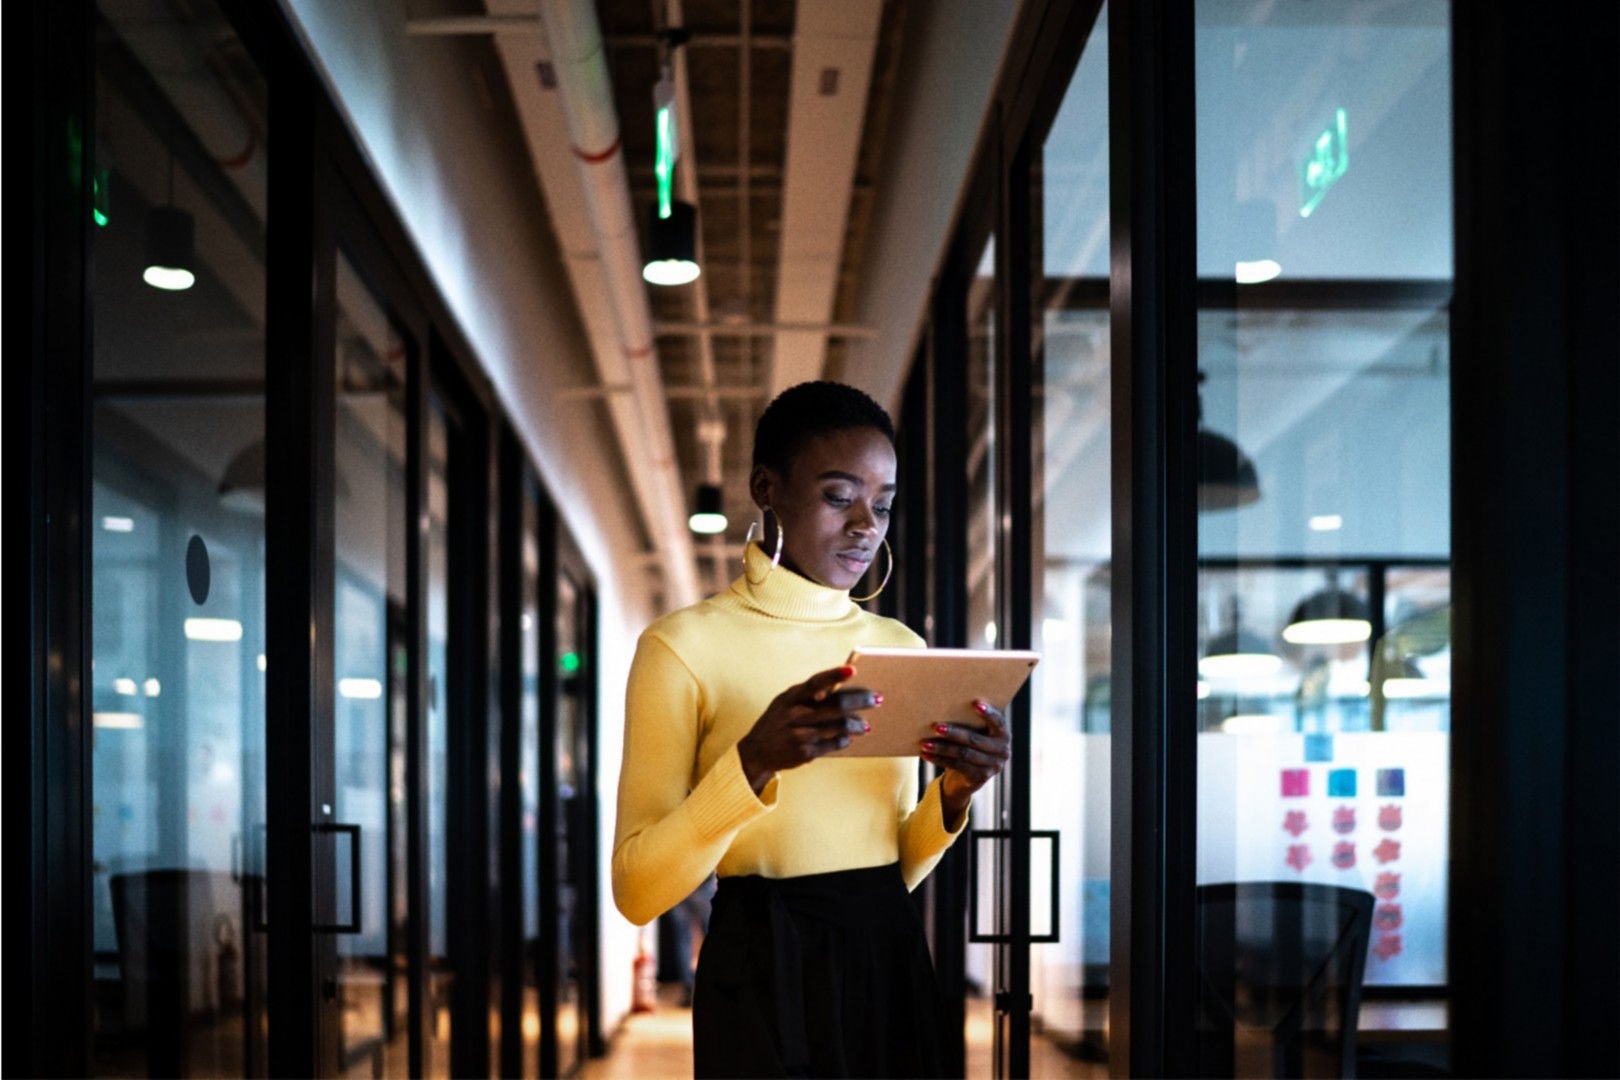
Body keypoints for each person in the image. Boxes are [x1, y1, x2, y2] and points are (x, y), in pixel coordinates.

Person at [611, 381, 1011, 1078]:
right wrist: (753, 763)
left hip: (886, 956)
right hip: (758, 969)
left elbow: (894, 867)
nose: (866, 525)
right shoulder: (680, 647)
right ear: (767, 488)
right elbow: (637, 890)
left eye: (882, 505)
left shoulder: (901, 650)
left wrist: (954, 794)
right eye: (838, 496)